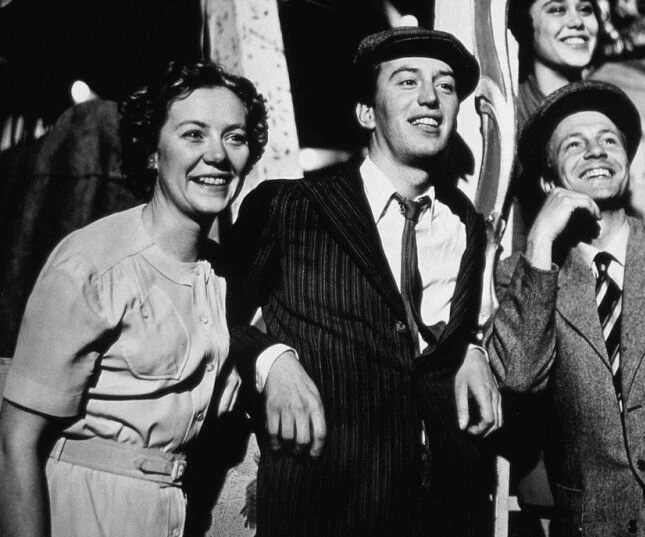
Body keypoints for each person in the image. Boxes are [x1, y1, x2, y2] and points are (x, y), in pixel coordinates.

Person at [226, 25, 502, 537]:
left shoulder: (465, 223)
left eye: (445, 85)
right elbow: (212, 317)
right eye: (407, 81)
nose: (430, 97)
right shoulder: (288, 208)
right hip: (327, 509)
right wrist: (271, 360)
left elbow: (442, 337)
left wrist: (472, 348)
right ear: (366, 113)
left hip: (447, 511)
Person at [0, 60, 279, 537]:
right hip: (83, 507)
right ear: (152, 152)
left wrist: (279, 361)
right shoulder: (92, 264)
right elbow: (14, 443)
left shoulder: (224, 275)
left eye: (234, 137)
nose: (217, 155)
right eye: (194, 134)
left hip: (174, 510)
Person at [486, 80, 645, 537]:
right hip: (592, 524)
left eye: (609, 140)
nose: (596, 151)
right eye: (575, 144)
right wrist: (540, 241)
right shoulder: (524, 276)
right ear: (548, 181)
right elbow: (518, 378)